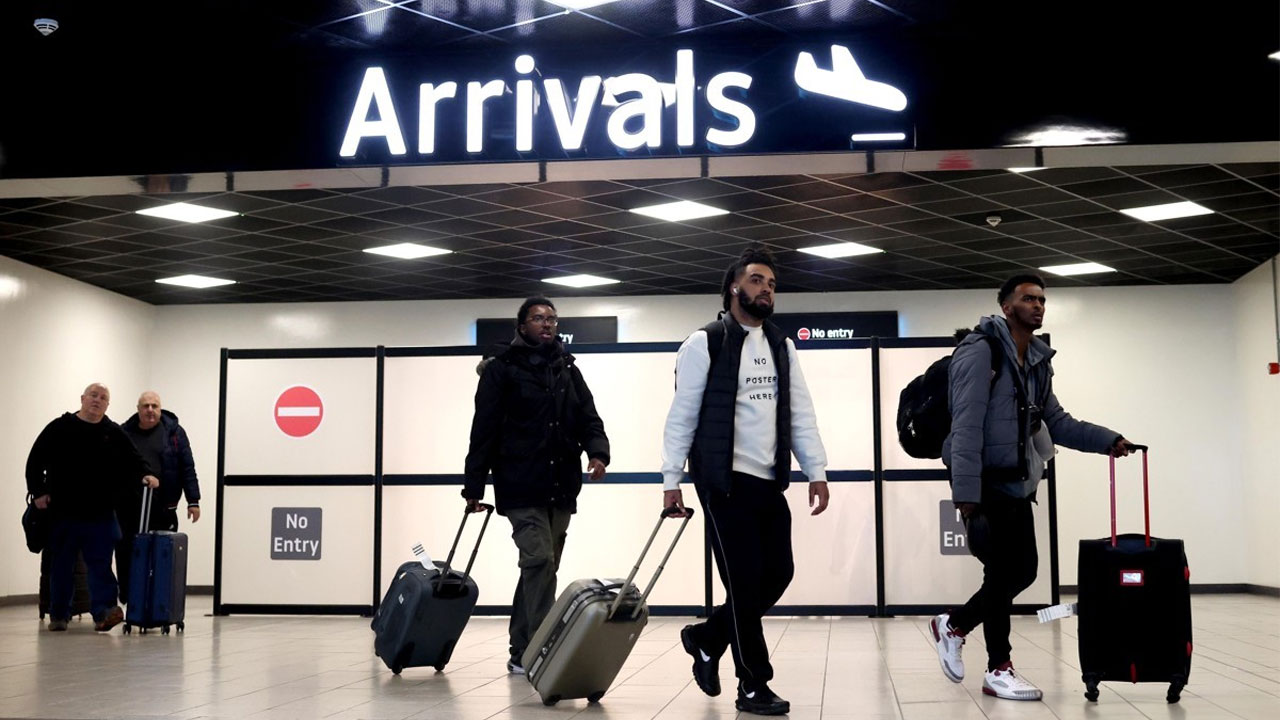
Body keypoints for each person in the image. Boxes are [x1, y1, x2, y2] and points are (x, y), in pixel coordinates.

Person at [931, 274, 1136, 701]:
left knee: (1022, 572)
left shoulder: (1037, 360)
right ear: (1006, 306)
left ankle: (953, 625)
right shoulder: (980, 352)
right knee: (1003, 572)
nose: (1038, 305)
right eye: (1028, 298)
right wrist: (965, 494)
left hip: (1018, 484)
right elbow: (965, 425)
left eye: (1042, 299)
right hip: (985, 484)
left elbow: (1055, 421)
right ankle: (998, 668)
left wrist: (1106, 440)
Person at [660, 245, 830, 716]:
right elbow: (683, 415)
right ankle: (753, 684)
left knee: (777, 574)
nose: (766, 289)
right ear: (735, 287)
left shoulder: (781, 345)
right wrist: (671, 478)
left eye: (772, 284)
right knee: (743, 582)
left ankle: (705, 638)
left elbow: (800, 413)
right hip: (723, 482)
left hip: (768, 481)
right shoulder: (706, 342)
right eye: (757, 280)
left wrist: (815, 469)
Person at [462, 297, 610, 675]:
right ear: (521, 325)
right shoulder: (502, 370)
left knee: (541, 567)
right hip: (519, 483)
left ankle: (520, 649)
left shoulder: (566, 368)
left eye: (552, 319)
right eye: (539, 318)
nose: (547, 325)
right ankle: (542, 649)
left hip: (560, 483)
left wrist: (598, 453)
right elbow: (484, 429)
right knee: (540, 560)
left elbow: (588, 415)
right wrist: (474, 485)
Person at [26, 383, 159, 632]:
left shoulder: (113, 432)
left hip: (100, 511)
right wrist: (39, 492)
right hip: (63, 510)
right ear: (83, 399)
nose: (97, 401)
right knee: (61, 564)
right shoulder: (60, 427)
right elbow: (35, 460)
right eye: (93, 396)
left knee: (100, 564)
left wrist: (146, 474)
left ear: (108, 405)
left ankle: (104, 612)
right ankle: (59, 614)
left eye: (103, 398)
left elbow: (134, 458)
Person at [117, 391, 200, 604]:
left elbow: (187, 467)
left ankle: (159, 600)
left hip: (164, 506)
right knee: (127, 552)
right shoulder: (124, 433)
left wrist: (193, 501)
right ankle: (129, 597)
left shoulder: (174, 433)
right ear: (138, 409)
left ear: (160, 409)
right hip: (130, 506)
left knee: (161, 554)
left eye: (154, 406)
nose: (150, 410)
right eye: (145, 406)